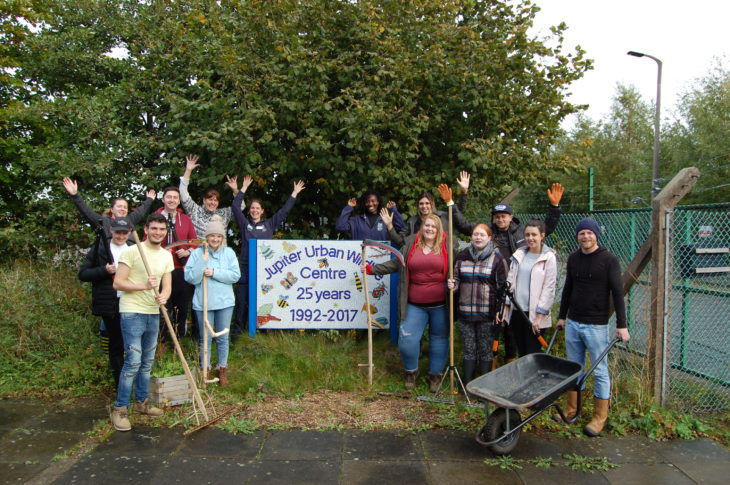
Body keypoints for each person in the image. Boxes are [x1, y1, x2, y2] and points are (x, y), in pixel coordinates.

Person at [452, 179, 564, 365]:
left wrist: (554, 207)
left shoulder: (522, 234)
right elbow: (463, 224)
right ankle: (492, 372)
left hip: (514, 293)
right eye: (497, 216)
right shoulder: (488, 234)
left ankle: (512, 369)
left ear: (511, 217)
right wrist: (460, 196)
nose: (500, 219)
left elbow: (546, 228)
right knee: (494, 331)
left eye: (504, 216)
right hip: (491, 291)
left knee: (512, 336)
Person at [556, 217, 630, 437]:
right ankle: (572, 409)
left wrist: (622, 326)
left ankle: (599, 418)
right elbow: (568, 288)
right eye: (581, 233)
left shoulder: (609, 260)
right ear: (577, 236)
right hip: (573, 322)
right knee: (574, 367)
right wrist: (562, 317)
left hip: (596, 325)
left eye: (589, 233)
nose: (585, 237)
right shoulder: (573, 258)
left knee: (599, 371)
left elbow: (618, 293)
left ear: (596, 235)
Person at [364, 212, 449, 392]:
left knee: (439, 340)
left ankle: (435, 375)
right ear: (422, 227)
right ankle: (411, 372)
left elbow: (456, 268)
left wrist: (455, 282)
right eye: (427, 225)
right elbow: (397, 264)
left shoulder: (447, 245)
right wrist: (372, 269)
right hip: (415, 303)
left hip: (440, 304)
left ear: (439, 228)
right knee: (407, 340)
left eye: (434, 226)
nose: (430, 229)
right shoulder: (411, 243)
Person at [110, 213, 173, 432]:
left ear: (166, 232)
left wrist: (163, 296)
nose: (158, 232)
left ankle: (142, 403)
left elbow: (167, 285)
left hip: (153, 312)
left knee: (147, 362)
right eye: (154, 228)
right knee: (133, 362)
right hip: (132, 312)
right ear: (146, 229)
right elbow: (118, 283)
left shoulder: (166, 256)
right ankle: (120, 409)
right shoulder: (132, 251)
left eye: (162, 229)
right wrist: (144, 286)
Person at [230, 177, 305, 337]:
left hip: (264, 271)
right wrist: (243, 188)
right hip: (245, 268)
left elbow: (284, 211)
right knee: (242, 302)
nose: (254, 210)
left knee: (263, 302)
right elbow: (235, 207)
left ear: (262, 210)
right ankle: (237, 336)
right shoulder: (245, 224)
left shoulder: (269, 224)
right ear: (249, 210)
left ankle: (263, 334)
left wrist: (294, 193)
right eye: (252, 208)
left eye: (257, 208)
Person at [447, 224, 508, 382]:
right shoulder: (462, 256)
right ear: (471, 237)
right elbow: (456, 280)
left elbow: (503, 288)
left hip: (487, 314)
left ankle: (483, 388)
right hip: (465, 312)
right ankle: (467, 387)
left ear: (489, 238)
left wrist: (499, 311)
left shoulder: (497, 258)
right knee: (469, 349)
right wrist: (452, 286)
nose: (478, 238)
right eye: (475, 234)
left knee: (485, 350)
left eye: (482, 235)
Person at [184, 215, 241, 386]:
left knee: (223, 337)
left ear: (222, 238)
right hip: (204, 302)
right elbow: (190, 278)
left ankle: (222, 368)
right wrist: (202, 263)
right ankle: (205, 368)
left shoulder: (229, 253)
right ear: (207, 237)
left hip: (224, 302)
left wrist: (214, 272)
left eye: (218, 236)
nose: (215, 239)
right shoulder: (197, 253)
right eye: (212, 236)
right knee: (205, 338)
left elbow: (235, 276)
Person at [78, 217, 134, 387]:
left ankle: (132, 378)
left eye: (124, 233)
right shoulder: (101, 247)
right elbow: (83, 274)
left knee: (131, 343)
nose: (121, 236)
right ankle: (120, 383)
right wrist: (104, 270)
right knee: (116, 343)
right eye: (118, 232)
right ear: (111, 231)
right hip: (110, 303)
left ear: (130, 233)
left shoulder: (134, 248)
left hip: (131, 301)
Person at [503, 218, 558, 357]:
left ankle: (535, 379)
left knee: (532, 354)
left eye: (534, 234)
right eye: (527, 235)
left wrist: (539, 317)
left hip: (534, 316)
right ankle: (522, 379)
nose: (530, 238)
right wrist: (506, 307)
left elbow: (549, 288)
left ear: (542, 235)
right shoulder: (519, 254)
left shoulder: (549, 257)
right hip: (517, 312)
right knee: (521, 353)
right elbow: (510, 282)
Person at [155, 186, 197, 340]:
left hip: (180, 269)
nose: (172, 200)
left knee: (181, 306)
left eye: (175, 197)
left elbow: (195, 242)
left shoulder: (185, 219)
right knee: (163, 306)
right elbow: (147, 241)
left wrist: (188, 251)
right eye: (169, 197)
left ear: (179, 201)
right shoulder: (155, 217)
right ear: (163, 199)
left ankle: (178, 340)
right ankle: (162, 339)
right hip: (160, 269)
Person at [390, 172, 472, 246]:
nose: (424, 206)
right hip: (420, 257)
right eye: (421, 203)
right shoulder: (412, 221)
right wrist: (389, 225)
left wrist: (464, 192)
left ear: (432, 204)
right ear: (418, 205)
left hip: (442, 256)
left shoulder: (443, 216)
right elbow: (400, 240)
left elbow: (458, 212)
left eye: (427, 203)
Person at [61, 177, 155, 238]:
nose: (122, 209)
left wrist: (149, 199)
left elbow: (141, 211)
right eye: (119, 206)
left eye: (125, 207)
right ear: (112, 209)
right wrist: (75, 195)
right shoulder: (103, 221)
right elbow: (86, 212)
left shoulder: (129, 220)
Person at [178, 154, 246, 237]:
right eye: (210, 199)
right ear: (204, 200)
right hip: (198, 249)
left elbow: (241, 207)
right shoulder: (194, 210)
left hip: (219, 249)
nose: (212, 202)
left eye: (215, 200)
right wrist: (188, 170)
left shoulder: (224, 214)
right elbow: (182, 192)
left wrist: (235, 190)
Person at [335, 189, 406, 241]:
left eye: (373, 201)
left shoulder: (386, 219)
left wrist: (394, 210)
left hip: (383, 259)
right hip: (359, 259)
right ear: (364, 203)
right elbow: (340, 226)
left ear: (378, 202)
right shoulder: (356, 220)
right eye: (367, 201)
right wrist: (349, 207)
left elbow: (402, 228)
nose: (370, 204)